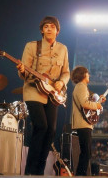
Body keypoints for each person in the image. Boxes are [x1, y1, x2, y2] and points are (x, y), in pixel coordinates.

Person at [16, 16, 70, 175]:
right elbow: (25, 73)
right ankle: (30, 171)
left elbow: (66, 72)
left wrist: (61, 83)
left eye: (52, 27)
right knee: (41, 126)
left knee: (51, 130)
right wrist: (21, 69)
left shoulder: (63, 49)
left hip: (53, 94)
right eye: (46, 26)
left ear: (57, 31)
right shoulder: (32, 46)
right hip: (34, 91)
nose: (49, 29)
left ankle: (39, 170)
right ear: (41, 30)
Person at [71, 66, 106, 176]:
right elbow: (85, 104)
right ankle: (80, 175)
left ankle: (80, 174)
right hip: (83, 123)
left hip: (83, 123)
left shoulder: (81, 87)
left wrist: (99, 101)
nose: (89, 75)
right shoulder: (81, 86)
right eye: (87, 73)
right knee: (86, 152)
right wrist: (98, 105)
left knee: (86, 152)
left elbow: (86, 104)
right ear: (83, 75)